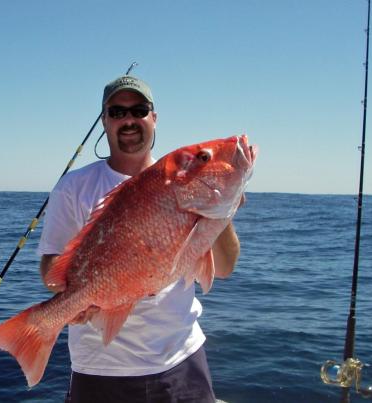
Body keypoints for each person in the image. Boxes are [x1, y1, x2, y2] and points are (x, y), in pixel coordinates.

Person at [37, 75, 241, 403]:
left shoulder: (186, 187)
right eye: (117, 112)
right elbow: (50, 270)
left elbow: (226, 267)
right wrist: (73, 298)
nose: (129, 119)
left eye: (139, 110)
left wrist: (221, 212)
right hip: (100, 369)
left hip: (181, 361)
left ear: (154, 118)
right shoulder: (73, 187)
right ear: (104, 121)